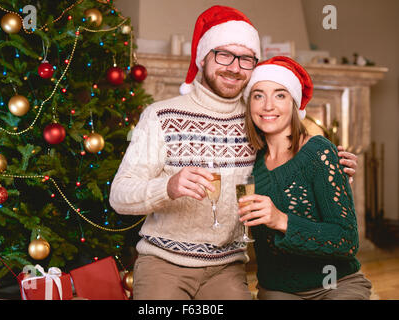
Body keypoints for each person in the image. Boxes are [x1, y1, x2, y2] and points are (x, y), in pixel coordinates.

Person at [110, 6, 358, 300]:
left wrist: (332, 167)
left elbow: (293, 159)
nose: (234, 67)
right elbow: (119, 196)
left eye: (245, 59)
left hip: (226, 266)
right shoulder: (160, 116)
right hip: (164, 263)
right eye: (223, 54)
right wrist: (168, 187)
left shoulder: (257, 118)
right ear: (203, 57)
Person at [238, 56, 372, 300]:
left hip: (336, 283)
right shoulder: (248, 165)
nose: (268, 106)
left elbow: (347, 241)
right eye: (258, 95)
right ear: (249, 105)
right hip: (279, 288)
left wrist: (281, 220)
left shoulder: (317, 152)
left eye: (280, 95)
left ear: (294, 103)